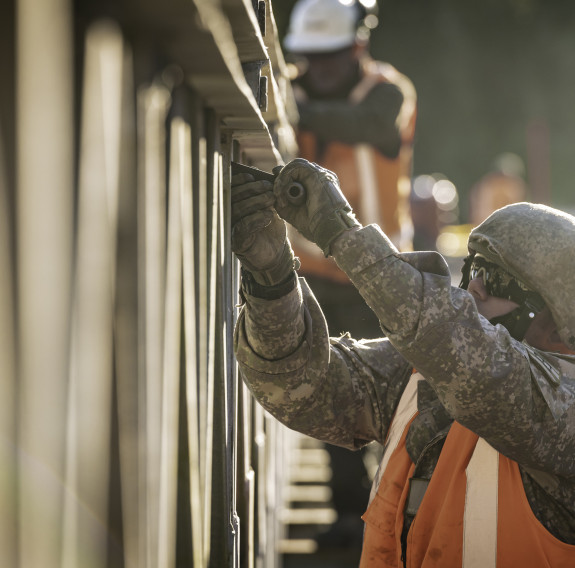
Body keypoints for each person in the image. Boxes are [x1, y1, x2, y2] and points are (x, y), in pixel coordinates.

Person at [231, 158, 575, 566]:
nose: (475, 288)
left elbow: (480, 368)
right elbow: (302, 388)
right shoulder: (423, 375)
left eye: (501, 281)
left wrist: (342, 232)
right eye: (475, 268)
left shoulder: (561, 408)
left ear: (559, 330)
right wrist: (272, 279)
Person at [283, 0, 417, 339]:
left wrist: (299, 113)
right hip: (306, 275)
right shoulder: (288, 89)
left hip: (380, 275)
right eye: (311, 54)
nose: (320, 65)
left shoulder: (387, 92)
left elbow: (371, 124)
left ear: (359, 45)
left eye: (331, 53)